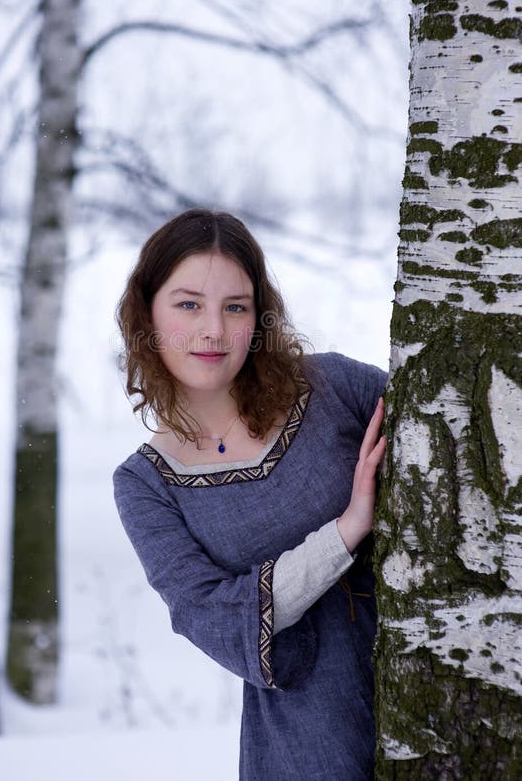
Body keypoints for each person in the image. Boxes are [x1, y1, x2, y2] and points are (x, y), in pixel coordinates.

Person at [113, 208, 387, 780]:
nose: (213, 329)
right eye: (188, 304)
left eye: (234, 307)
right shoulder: (146, 486)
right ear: (147, 314)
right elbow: (214, 617)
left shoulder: (333, 387)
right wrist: (345, 531)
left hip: (445, 667)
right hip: (310, 738)